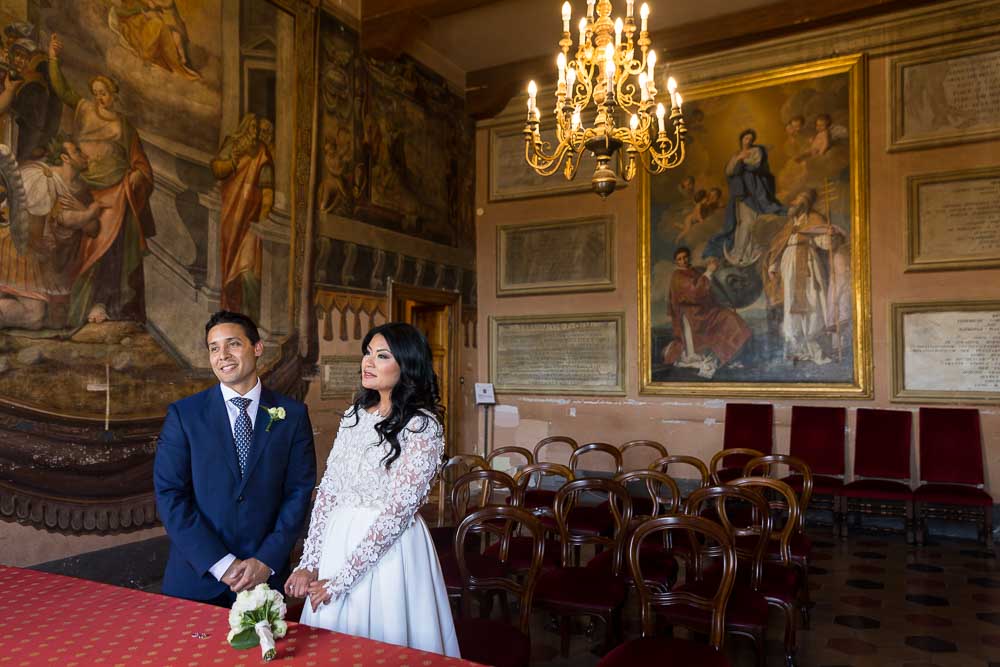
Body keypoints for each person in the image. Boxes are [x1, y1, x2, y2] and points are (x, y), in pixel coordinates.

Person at [286, 322, 460, 657]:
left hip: (391, 552)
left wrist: (342, 579)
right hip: (339, 541)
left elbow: (397, 512)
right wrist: (310, 562)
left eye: (381, 356)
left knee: (386, 643)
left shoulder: (423, 426)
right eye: (368, 353)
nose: (368, 362)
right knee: (331, 644)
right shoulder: (354, 415)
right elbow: (328, 491)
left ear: (406, 365)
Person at [154, 311, 316, 606]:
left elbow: (298, 493)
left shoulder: (291, 415)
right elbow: (170, 495)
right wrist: (221, 563)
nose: (223, 355)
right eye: (214, 348)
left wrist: (266, 560)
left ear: (256, 348)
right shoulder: (185, 415)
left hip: (264, 581)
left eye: (233, 344)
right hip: (197, 580)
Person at [48, 33, 156, 326]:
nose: (99, 97)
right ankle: (78, 305)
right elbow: (62, 90)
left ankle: (105, 303)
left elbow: (141, 164)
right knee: (80, 250)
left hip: (116, 194)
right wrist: (54, 60)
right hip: (85, 190)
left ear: (114, 94)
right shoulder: (83, 109)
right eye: (95, 91)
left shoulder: (124, 126)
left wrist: (136, 176)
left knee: (109, 250)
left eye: (104, 91)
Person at [0, 137, 105, 329]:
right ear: (65, 158)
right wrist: (88, 213)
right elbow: (34, 233)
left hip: (51, 261)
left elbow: (94, 229)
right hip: (22, 252)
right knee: (34, 317)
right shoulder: (43, 177)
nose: (85, 156)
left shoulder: (80, 189)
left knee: (54, 320)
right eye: (77, 152)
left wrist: (83, 209)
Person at [764, 189, 849, 365]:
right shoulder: (790, 224)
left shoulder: (814, 219)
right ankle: (798, 349)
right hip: (789, 266)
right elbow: (780, 246)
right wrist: (773, 265)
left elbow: (823, 243)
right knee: (791, 303)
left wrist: (830, 236)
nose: (792, 205)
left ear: (804, 204)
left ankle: (815, 348)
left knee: (812, 302)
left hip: (808, 263)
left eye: (796, 202)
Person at [210, 113, 273, 319]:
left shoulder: (262, 153)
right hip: (231, 212)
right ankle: (231, 312)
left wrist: (262, 218)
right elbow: (218, 169)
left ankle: (250, 319)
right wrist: (234, 158)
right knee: (229, 260)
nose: (255, 133)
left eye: (258, 129)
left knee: (248, 270)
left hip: (251, 219)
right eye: (252, 127)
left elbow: (267, 190)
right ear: (244, 128)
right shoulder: (232, 144)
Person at [662, 247, 751, 379]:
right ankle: (724, 357)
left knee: (730, 318)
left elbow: (709, 288)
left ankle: (730, 356)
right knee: (726, 319)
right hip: (693, 314)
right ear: (676, 262)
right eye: (679, 259)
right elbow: (694, 294)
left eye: (685, 257)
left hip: (705, 310)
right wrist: (709, 271)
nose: (683, 260)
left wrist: (711, 268)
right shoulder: (677, 276)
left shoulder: (695, 270)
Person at [704, 128, 786, 266]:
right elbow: (729, 170)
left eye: (750, 139)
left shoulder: (755, 151)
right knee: (742, 223)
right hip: (741, 192)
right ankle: (738, 252)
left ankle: (748, 252)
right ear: (741, 139)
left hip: (754, 190)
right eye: (746, 138)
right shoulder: (736, 154)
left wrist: (743, 160)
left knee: (752, 221)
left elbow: (756, 164)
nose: (748, 141)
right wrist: (739, 160)